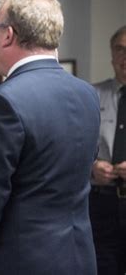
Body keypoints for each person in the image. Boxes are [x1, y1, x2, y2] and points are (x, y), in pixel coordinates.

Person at [0, 0, 100, 275]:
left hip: (21, 264)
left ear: (8, 35)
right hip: (81, 261)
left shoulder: (2, 103)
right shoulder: (87, 95)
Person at [89, 25, 126, 275]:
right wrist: (91, 169)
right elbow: (74, 149)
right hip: (101, 202)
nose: (125, 57)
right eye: (120, 49)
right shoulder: (91, 95)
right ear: (112, 55)